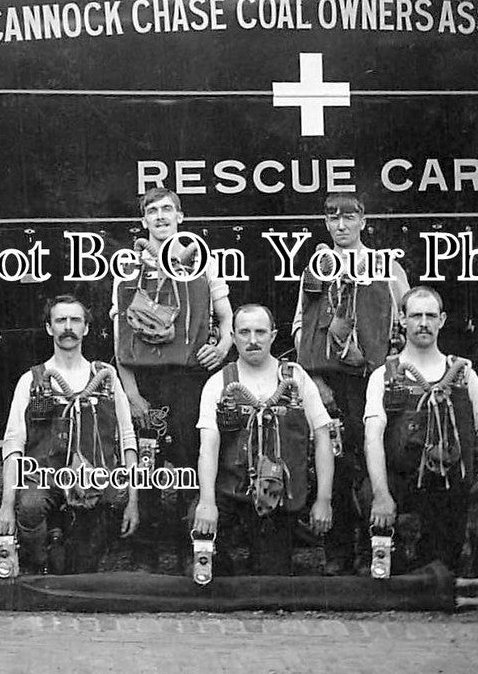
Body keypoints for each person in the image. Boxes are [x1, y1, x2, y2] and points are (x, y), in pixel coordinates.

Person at [113, 188, 233, 569]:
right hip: (146, 384)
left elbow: (226, 317)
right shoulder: (128, 267)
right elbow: (120, 341)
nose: (161, 216)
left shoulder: (204, 262)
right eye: (153, 211)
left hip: (189, 381)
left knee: (189, 462)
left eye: (168, 209)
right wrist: (131, 395)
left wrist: (223, 346)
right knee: (147, 465)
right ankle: (146, 554)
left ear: (181, 217)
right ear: (144, 220)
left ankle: (190, 550)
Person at [292, 192, 410, 574]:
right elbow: (300, 328)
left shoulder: (387, 268)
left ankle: (379, 546)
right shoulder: (315, 268)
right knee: (339, 464)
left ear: (363, 220)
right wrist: (316, 379)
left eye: (349, 218)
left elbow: (405, 325)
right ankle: (339, 552)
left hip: (373, 382)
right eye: (332, 219)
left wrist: (387, 370)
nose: (340, 226)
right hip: (332, 384)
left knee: (380, 461)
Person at [364, 286, 478, 573]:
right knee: (370, 497)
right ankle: (387, 554)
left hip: (447, 484)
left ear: (442, 320)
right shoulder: (385, 376)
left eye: (431, 315)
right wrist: (381, 494)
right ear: (402, 321)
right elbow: (372, 438)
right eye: (415, 315)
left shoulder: (464, 374)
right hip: (401, 481)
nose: (423, 323)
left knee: (442, 568)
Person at [0, 295, 139, 573]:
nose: (68, 327)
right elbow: (14, 446)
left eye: (75, 320)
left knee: (79, 570)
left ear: (86, 328)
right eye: (61, 320)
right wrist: (6, 505)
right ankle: (38, 563)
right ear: (49, 328)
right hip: (45, 479)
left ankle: (77, 553)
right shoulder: (32, 380)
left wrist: (133, 501)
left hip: (93, 481)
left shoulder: (106, 377)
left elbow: (128, 439)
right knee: (31, 506)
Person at [192, 304, 334, 576]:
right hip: (232, 493)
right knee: (202, 544)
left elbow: (323, 437)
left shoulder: (295, 378)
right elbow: (207, 448)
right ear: (232, 337)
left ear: (273, 335)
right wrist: (207, 502)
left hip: (278, 498)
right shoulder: (218, 383)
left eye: (260, 332)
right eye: (244, 332)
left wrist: (324, 499)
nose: (253, 340)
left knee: (271, 579)